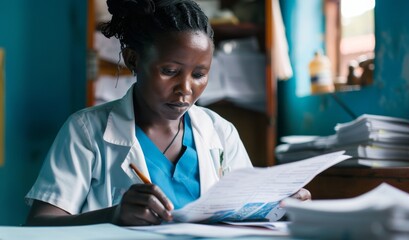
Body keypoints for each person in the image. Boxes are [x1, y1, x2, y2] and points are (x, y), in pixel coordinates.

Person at [25, 0, 310, 226]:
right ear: (133, 59)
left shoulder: (220, 132)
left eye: (199, 74)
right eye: (170, 71)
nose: (185, 89)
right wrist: (112, 216)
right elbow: (38, 225)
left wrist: (278, 206)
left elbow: (245, 209)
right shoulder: (86, 131)